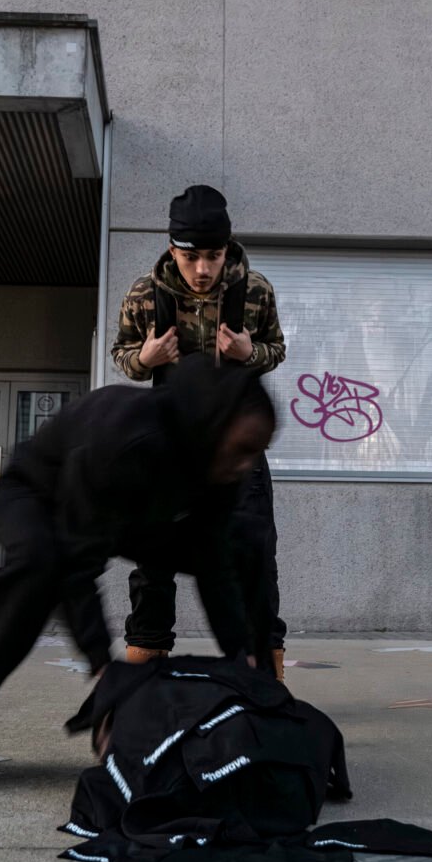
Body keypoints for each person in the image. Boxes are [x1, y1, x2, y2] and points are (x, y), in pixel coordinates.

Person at [0, 355, 276, 792]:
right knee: (40, 566)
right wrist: (103, 670)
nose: (246, 465)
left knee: (246, 540)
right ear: (211, 425)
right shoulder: (123, 435)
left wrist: (242, 653)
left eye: (256, 453)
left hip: (130, 515)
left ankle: (261, 691)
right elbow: (76, 566)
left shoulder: (220, 467)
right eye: (243, 450)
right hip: (38, 496)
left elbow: (215, 564)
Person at [111, 185, 287, 677]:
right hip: (167, 444)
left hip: (235, 444)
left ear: (227, 249)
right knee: (153, 562)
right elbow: (122, 354)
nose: (203, 269)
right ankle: (146, 671)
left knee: (255, 555)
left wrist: (249, 354)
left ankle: (264, 674)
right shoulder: (144, 294)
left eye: (213, 256)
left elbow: (276, 348)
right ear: (173, 250)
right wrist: (145, 359)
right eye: (191, 257)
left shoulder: (255, 291)